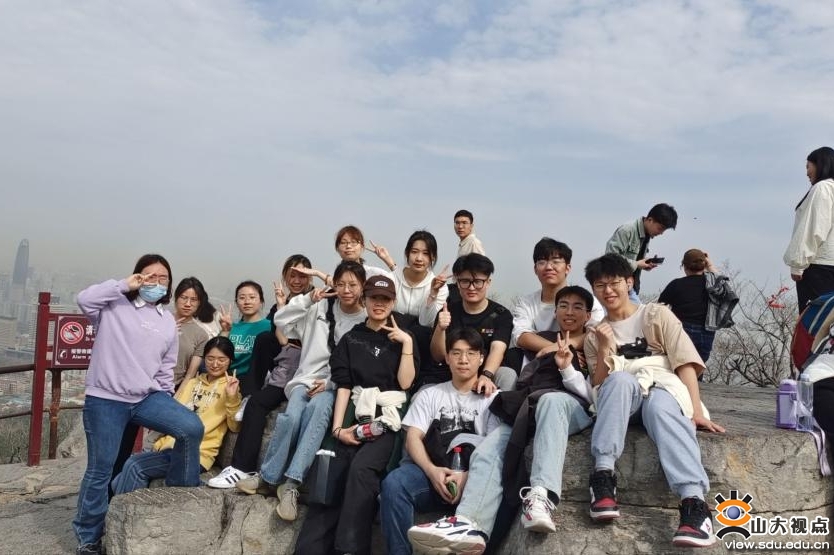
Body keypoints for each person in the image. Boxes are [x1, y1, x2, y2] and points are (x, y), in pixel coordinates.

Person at [409, 287, 596, 554]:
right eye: (563, 306)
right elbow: (522, 367)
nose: (569, 312)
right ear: (554, 312)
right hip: (530, 409)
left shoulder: (593, 343)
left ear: (588, 315)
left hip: (570, 405)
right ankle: (469, 523)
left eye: (578, 307)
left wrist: (567, 369)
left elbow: (595, 394)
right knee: (490, 447)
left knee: (551, 401)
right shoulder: (538, 341)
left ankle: (542, 496)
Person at [583, 253, 724, 548]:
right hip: (622, 400)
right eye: (600, 285)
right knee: (619, 380)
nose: (608, 291)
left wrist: (695, 410)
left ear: (629, 282)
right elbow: (598, 384)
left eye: (614, 283)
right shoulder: (595, 333)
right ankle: (603, 476)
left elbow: (684, 362)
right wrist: (606, 346)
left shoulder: (656, 315)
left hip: (661, 387)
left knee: (660, 405)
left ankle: (694, 505)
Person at [72, 254, 204, 555]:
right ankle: (88, 535)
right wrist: (124, 285)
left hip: (145, 397)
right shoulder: (114, 306)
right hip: (106, 398)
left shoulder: (166, 321)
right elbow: (84, 299)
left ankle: (179, 494)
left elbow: (166, 366)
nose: (156, 282)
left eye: (163, 278)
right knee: (101, 469)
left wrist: (164, 398)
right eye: (149, 276)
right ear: (137, 277)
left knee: (190, 427)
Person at [218, 262, 367, 524]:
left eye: (353, 285)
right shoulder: (320, 306)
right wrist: (308, 299)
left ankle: (291, 484)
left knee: (317, 412)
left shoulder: (364, 320)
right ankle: (268, 478)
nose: (346, 290)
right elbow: (281, 320)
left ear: (362, 286)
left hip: (334, 384)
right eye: (341, 284)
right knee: (291, 416)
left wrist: (330, 383)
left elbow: (357, 363)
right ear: (333, 284)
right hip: (304, 379)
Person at [293, 275, 417, 555]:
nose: (379, 304)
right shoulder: (352, 338)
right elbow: (344, 386)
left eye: (385, 299)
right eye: (374, 298)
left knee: (362, 469)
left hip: (388, 419)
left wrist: (407, 344)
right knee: (332, 466)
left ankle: (350, 548)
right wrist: (338, 429)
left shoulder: (404, 336)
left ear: (393, 302)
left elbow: (406, 383)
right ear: (365, 300)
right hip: (355, 412)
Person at [381, 328, 500, 555]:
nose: (463, 360)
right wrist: (431, 470)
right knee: (395, 483)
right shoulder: (430, 394)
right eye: (456, 353)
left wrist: (467, 477)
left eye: (471, 353)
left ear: (481, 358)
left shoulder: (493, 398)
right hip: (432, 474)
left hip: (473, 481)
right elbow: (413, 438)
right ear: (447, 357)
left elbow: (495, 451)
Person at [111, 336, 241, 494]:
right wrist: (159, 443)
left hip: (197, 454)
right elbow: (174, 417)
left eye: (221, 359)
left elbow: (235, 426)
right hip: (169, 449)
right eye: (210, 358)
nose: (215, 364)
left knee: (134, 466)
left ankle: (121, 509)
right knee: (118, 480)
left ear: (230, 361)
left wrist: (232, 397)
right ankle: (124, 507)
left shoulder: (231, 387)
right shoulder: (193, 383)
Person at [225, 255, 314, 478]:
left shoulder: (317, 302)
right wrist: (282, 307)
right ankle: (249, 395)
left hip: (304, 368)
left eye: (303, 275)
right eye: (292, 275)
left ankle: (244, 468)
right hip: (284, 362)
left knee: (260, 404)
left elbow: (302, 342)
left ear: (311, 277)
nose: (297, 280)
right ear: (284, 277)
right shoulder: (279, 305)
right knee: (264, 339)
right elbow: (282, 341)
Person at [427, 253, 516, 393]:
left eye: (478, 281)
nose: (471, 287)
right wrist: (440, 328)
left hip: (486, 371)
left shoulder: (501, 315)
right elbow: (438, 356)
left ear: (488, 282)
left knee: (507, 375)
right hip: (450, 372)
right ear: (457, 282)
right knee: (422, 393)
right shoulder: (446, 312)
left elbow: (497, 349)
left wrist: (486, 375)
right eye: (465, 281)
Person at [511, 238, 605, 367]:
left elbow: (596, 333)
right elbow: (521, 336)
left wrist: (561, 349)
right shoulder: (526, 303)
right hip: (540, 365)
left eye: (555, 261)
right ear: (535, 269)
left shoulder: (587, 300)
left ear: (567, 268)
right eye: (542, 262)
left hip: (581, 364)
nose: (549, 267)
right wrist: (558, 350)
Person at [658, 249, 738, 366]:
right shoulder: (713, 286)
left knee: (676, 367)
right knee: (697, 368)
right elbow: (725, 287)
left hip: (680, 331)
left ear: (684, 266)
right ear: (704, 266)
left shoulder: (676, 284)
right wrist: (710, 266)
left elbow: (659, 307)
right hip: (705, 333)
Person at [784, 146, 834, 312]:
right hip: (829, 265)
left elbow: (814, 228)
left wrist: (798, 264)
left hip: (820, 267)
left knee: (814, 321)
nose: (807, 172)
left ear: (820, 164)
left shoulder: (823, 187)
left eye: (808, 166)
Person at [605, 203, 678, 302]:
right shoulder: (627, 230)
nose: (661, 233)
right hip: (616, 289)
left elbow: (632, 260)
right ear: (650, 220)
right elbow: (609, 258)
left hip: (630, 288)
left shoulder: (646, 234)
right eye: (660, 228)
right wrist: (637, 264)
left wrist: (644, 264)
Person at [295, 225, 394, 288]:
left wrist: (387, 259)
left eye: (354, 242)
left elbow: (398, 284)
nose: (348, 246)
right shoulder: (333, 274)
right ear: (337, 248)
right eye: (343, 242)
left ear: (362, 247)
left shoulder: (374, 273)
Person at [219, 280, 271, 397]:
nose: (247, 302)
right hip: (226, 378)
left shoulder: (269, 326)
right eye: (242, 298)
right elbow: (217, 353)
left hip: (252, 380)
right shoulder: (231, 327)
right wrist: (225, 331)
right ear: (236, 302)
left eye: (252, 297)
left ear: (261, 301)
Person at [171, 277, 214, 390]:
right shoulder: (161, 320)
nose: (188, 304)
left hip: (174, 387)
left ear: (199, 303)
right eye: (183, 298)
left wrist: (178, 396)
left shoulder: (201, 335)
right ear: (176, 298)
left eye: (194, 300)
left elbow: (190, 375)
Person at [449, 210, 485, 304]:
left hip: (466, 290)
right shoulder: (464, 243)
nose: (460, 226)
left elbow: (481, 270)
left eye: (464, 223)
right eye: (457, 223)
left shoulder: (473, 243)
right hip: (459, 287)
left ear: (471, 226)